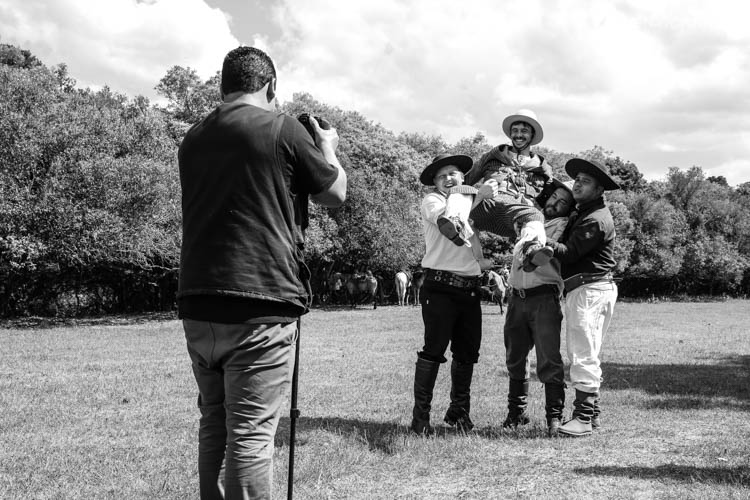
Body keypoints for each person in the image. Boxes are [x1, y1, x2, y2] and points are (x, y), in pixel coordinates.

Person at [177, 46, 346, 499]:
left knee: (214, 421)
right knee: (251, 433)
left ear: (223, 87)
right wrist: (327, 147)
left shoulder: (193, 137)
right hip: (260, 300)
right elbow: (335, 193)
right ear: (271, 86)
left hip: (198, 301)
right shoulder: (281, 128)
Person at [411, 153, 498, 435]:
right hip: (440, 287)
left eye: (453, 174)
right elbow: (448, 219)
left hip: (470, 290)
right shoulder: (433, 200)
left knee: (467, 353)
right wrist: (478, 195)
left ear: (463, 177)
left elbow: (485, 224)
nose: (448, 178)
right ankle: (420, 418)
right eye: (442, 175)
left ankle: (459, 412)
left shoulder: (470, 205)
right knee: (433, 349)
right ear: (435, 183)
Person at [547, 158, 620, 437]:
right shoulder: (586, 213)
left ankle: (583, 418)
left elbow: (569, 253)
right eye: (577, 179)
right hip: (590, 288)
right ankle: (594, 414)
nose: (577, 184)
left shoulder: (595, 219)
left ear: (599, 189)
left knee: (582, 353)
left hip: (589, 289)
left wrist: (540, 239)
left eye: (585, 181)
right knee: (588, 350)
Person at [437, 109, 555, 271]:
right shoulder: (493, 156)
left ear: (532, 135)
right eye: (515, 130)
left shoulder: (543, 169)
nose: (518, 135)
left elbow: (552, 202)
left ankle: (530, 250)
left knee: (535, 215)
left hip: (513, 217)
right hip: (486, 206)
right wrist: (445, 190)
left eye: (524, 131)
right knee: (462, 189)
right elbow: (466, 179)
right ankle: (455, 223)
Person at [501, 179, 575, 437]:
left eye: (563, 202)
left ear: (570, 208)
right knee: (515, 356)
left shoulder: (563, 225)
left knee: (548, 358)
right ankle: (516, 413)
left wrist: (530, 234)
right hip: (516, 297)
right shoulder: (532, 218)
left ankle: (554, 416)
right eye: (554, 197)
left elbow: (555, 247)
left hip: (543, 297)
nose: (555, 203)